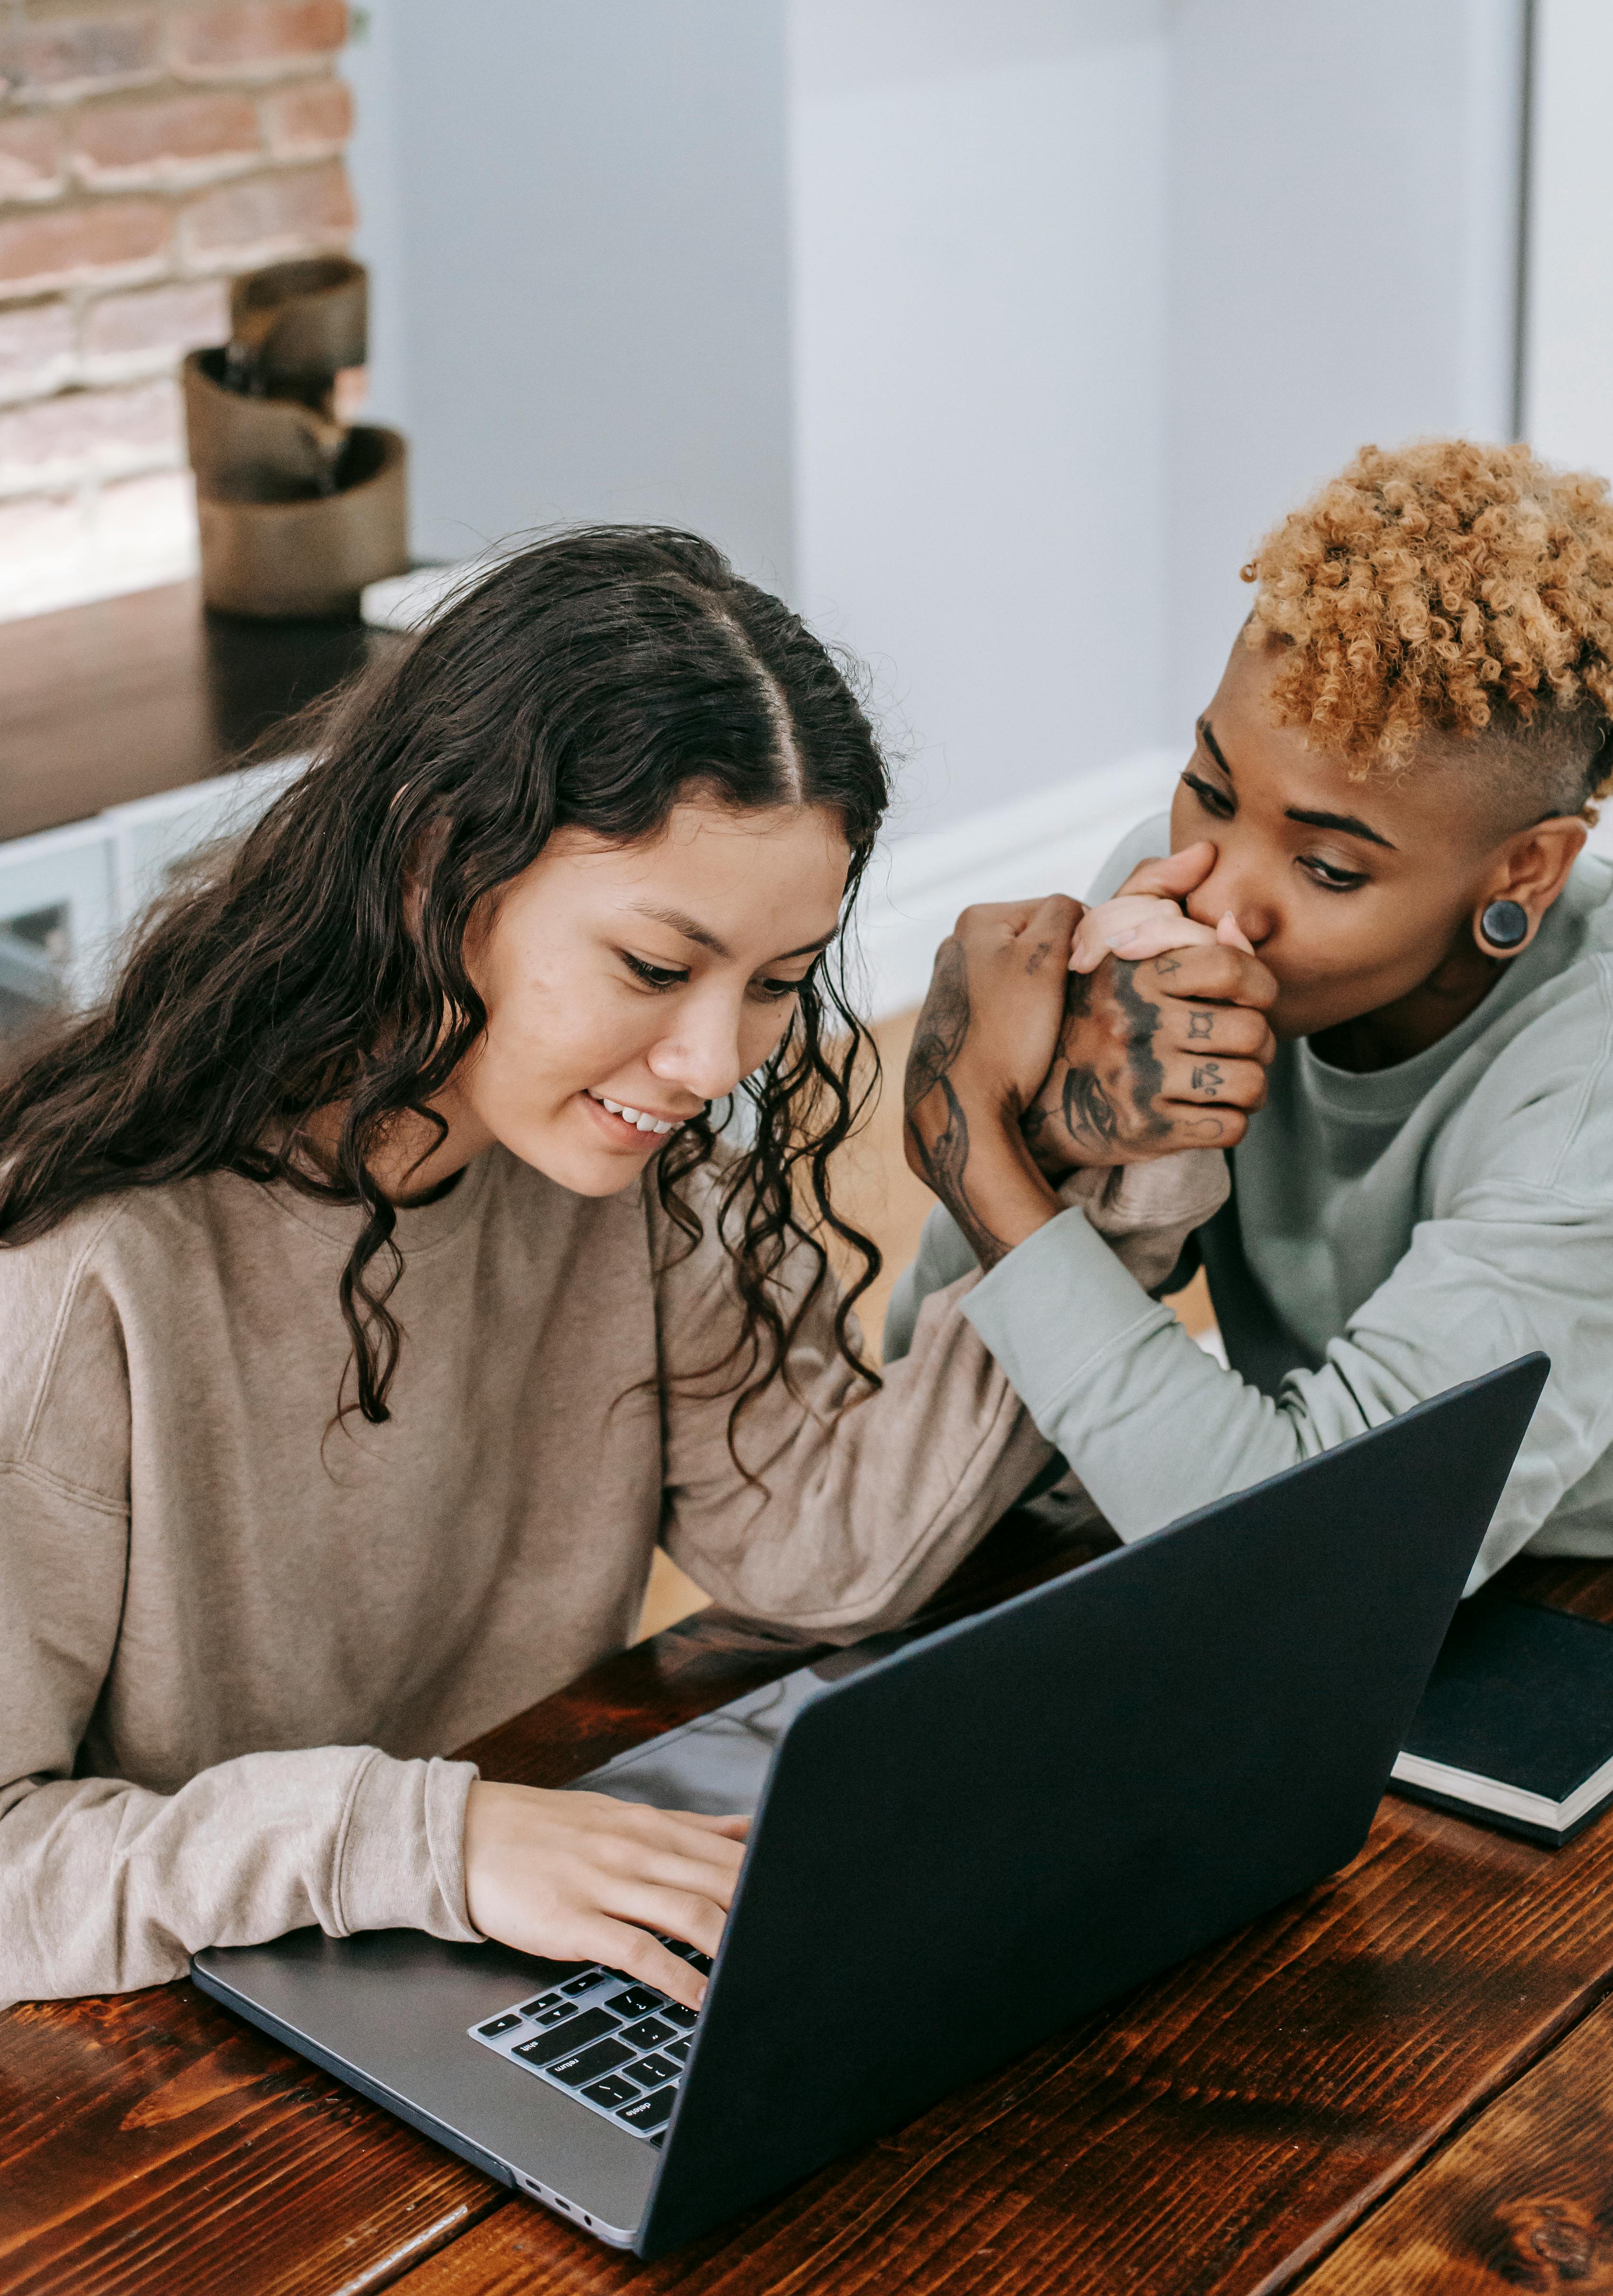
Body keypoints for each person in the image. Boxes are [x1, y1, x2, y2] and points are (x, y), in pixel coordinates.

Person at [0, 529, 1226, 2006]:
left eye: (777, 987)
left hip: (458, 1958)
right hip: (157, 2065)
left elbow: (823, 1549)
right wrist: (427, 1839)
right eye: (655, 969)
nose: (713, 1062)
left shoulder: (613, 1181)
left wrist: (1097, 1166)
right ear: (433, 871)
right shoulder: (82, 1277)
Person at [889, 439, 1613, 1583]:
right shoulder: (1167, 891)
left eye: (1328, 869)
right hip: (1352, 1531)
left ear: (1523, 873)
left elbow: (1299, 1561)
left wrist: (976, 1136)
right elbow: (929, 1421)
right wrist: (1055, 1133)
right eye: (1210, 791)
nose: (1221, 901)